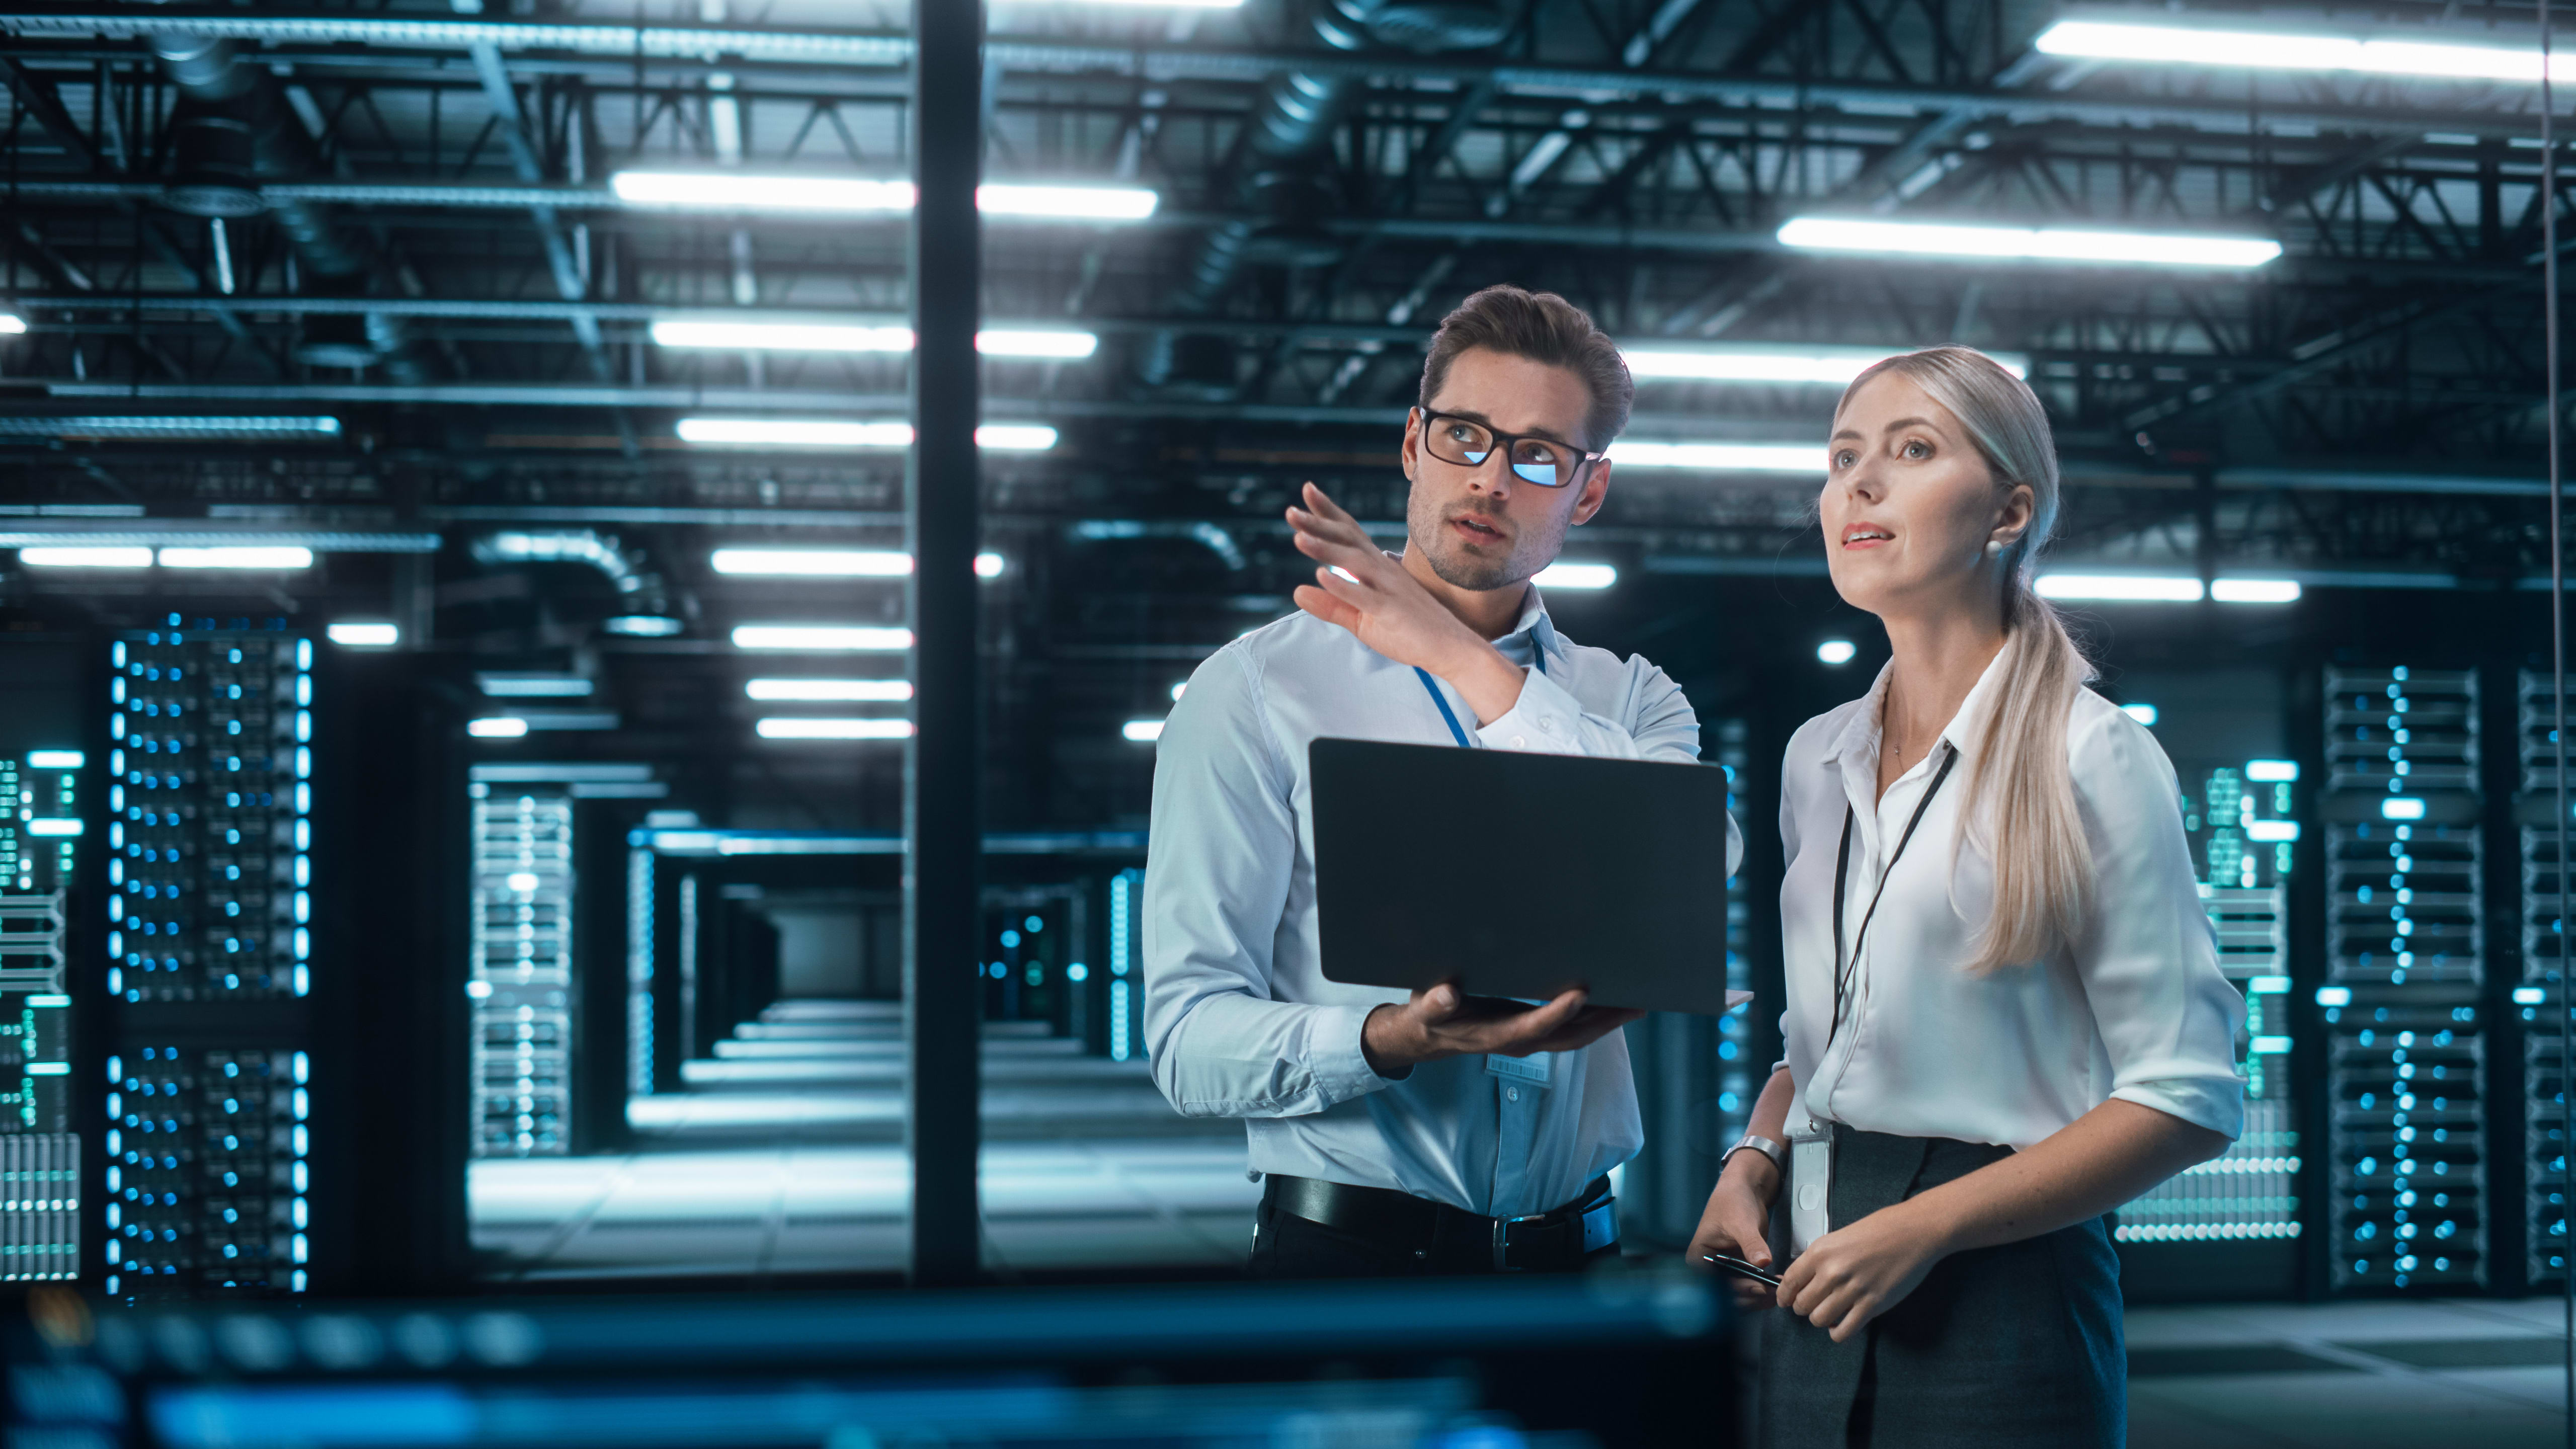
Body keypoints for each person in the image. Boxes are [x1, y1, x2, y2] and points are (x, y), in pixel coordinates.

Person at [1687, 347, 2245, 1446]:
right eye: (1843, 456)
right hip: (1819, 1283)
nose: (1858, 483)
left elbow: (2188, 1096)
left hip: (2005, 1293)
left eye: (1911, 449)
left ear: (2007, 512)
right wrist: (1753, 1159)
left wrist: (1923, 1226)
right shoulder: (1818, 756)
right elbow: (1828, 1041)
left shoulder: (2092, 756)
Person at [1144, 284, 1743, 1277]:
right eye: (1465, 435)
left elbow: (1679, 871)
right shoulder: (1257, 690)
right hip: (1349, 1265)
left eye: (1537, 456)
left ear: (1587, 491)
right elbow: (1186, 1039)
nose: (1491, 480)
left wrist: (1462, 663)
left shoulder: (1632, 702)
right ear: (1414, 440)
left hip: (1580, 1270)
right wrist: (1390, 1037)